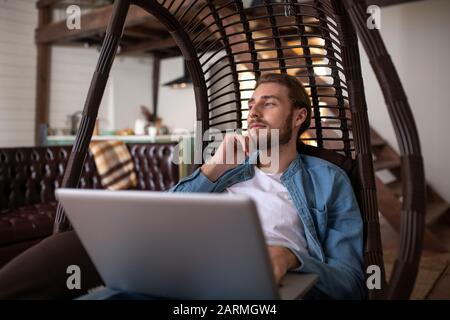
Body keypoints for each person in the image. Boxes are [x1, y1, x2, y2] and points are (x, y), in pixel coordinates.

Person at [0, 73, 365, 300]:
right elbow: (165, 218)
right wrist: (211, 169)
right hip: (181, 266)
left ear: (299, 116)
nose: (252, 112)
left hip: (254, 286)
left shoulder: (328, 179)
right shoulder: (226, 168)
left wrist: (288, 257)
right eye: (250, 104)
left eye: (267, 104)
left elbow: (349, 281)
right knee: (78, 245)